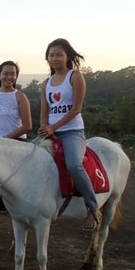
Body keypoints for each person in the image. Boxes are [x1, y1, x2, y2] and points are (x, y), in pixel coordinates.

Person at [38, 38, 100, 230]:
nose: (54, 58)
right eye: (51, 55)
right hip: (50, 131)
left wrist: (53, 127)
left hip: (72, 131)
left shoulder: (75, 76)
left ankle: (92, 207)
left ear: (67, 56)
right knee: (28, 158)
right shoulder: (46, 83)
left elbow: (76, 109)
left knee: (74, 164)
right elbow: (44, 111)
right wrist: (43, 128)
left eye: (59, 54)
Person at [0, 61, 32, 140]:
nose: (9, 77)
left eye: (12, 74)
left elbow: (27, 126)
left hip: (16, 142)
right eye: (5, 73)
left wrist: (5, 139)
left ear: (16, 76)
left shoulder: (20, 96)